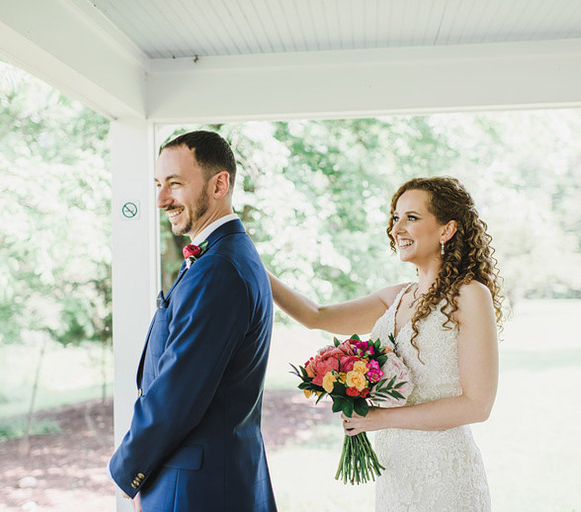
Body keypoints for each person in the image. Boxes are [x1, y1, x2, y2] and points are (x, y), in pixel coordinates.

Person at [269, 176, 503, 511]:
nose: (396, 229)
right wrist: (251, 264)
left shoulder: (469, 295)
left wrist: (378, 419)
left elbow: (477, 406)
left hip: (446, 478)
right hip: (395, 475)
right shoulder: (394, 298)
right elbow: (315, 315)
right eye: (395, 218)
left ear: (446, 230)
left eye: (411, 217)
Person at [109, 131, 277, 512]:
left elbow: (178, 390)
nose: (161, 199)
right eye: (158, 184)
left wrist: (129, 471)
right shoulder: (223, 255)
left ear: (220, 184)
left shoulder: (219, 268)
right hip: (210, 476)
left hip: (195, 488)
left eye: (175, 184)